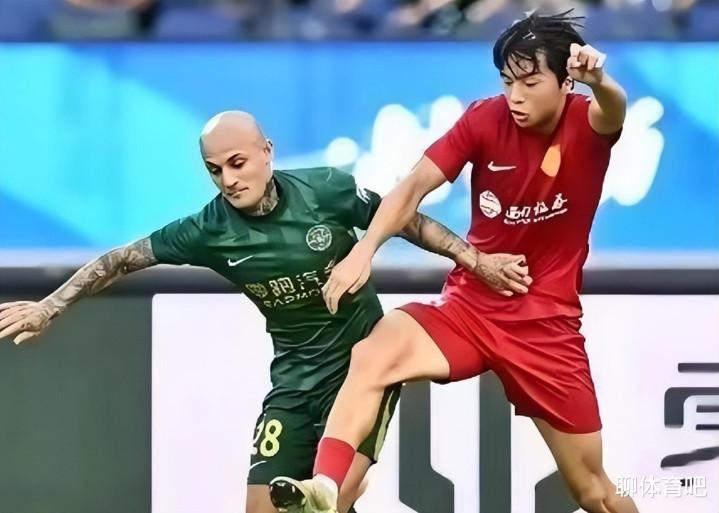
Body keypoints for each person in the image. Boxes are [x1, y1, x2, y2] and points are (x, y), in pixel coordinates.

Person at [0, 111, 529, 513]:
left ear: (267, 152)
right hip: (294, 381)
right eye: (215, 171)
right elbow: (121, 259)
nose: (229, 179)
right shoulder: (208, 230)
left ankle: (347, 484)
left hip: (363, 372)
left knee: (324, 505)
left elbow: (407, 220)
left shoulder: (325, 189)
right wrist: (49, 307)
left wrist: (476, 261)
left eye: (238, 163)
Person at [269, 11, 640, 513]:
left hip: (545, 327)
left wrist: (601, 81)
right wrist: (365, 250)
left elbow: (613, 109)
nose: (516, 96)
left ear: (566, 82)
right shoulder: (484, 118)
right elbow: (411, 188)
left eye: (530, 83)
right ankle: (325, 486)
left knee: (593, 490)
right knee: (374, 353)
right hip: (469, 309)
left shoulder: (587, 122)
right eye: (507, 82)